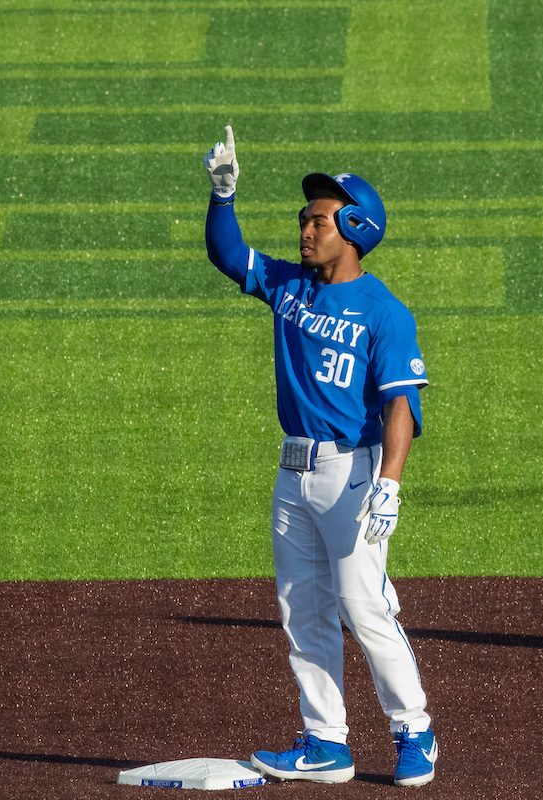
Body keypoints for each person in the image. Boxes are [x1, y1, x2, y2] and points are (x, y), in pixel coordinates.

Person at [203, 126, 437, 787]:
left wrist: (390, 483)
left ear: (356, 228)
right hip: (293, 474)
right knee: (302, 609)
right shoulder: (290, 288)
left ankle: (413, 728)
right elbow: (230, 256)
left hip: (353, 476)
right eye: (304, 219)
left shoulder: (384, 311)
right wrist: (223, 195)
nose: (305, 230)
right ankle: (325, 742)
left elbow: (400, 402)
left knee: (365, 606)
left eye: (318, 220)